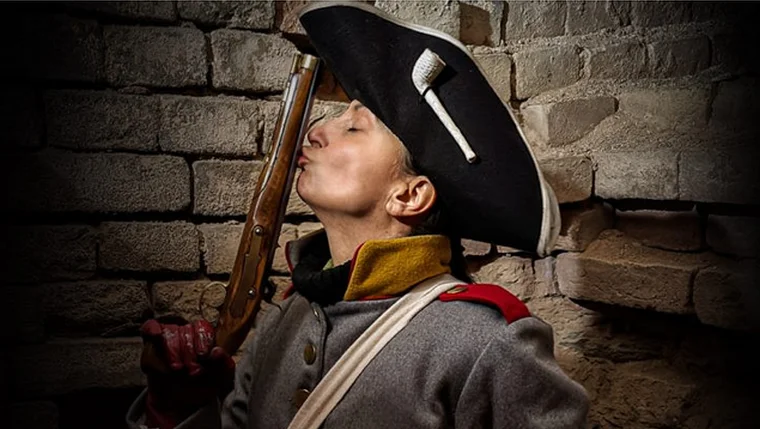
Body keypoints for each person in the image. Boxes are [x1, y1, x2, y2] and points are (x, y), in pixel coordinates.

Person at [127, 3, 589, 429]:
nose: (317, 132)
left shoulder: (488, 342)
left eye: (353, 128)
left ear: (409, 195)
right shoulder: (286, 317)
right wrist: (175, 407)